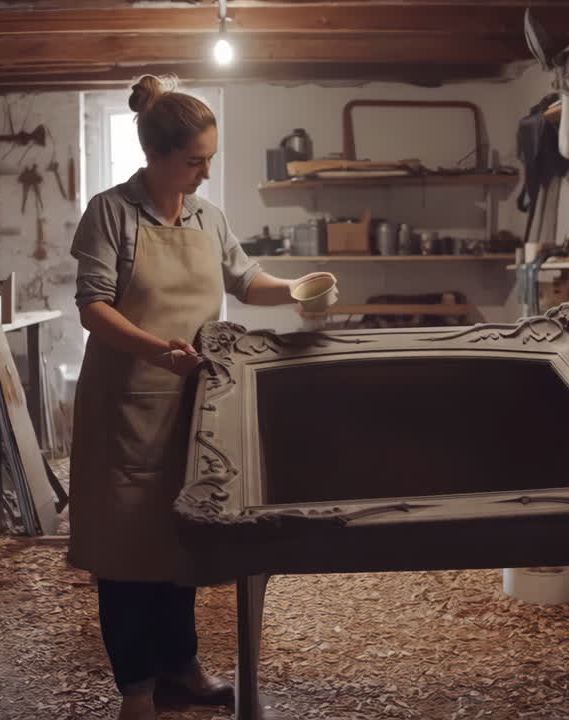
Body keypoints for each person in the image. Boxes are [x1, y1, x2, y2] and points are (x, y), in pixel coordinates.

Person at [68, 74, 338, 720]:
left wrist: (297, 289)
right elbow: (92, 309)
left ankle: (181, 667)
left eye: (209, 160)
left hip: (193, 408)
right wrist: (156, 349)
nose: (206, 174)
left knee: (180, 542)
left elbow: (243, 279)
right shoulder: (112, 213)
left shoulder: (206, 218)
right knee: (125, 554)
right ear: (157, 156)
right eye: (195, 162)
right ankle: (136, 688)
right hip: (126, 407)